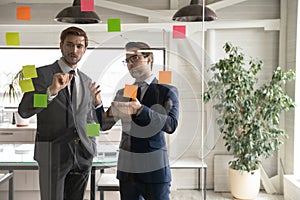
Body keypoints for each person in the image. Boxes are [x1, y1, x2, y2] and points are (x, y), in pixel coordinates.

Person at [90, 41, 179, 200]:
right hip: (128, 172)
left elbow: (171, 125)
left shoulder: (166, 91)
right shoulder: (123, 92)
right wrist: (98, 103)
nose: (131, 64)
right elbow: (104, 125)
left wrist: (140, 110)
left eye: (135, 58)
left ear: (149, 58)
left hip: (154, 170)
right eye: (127, 60)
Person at [18, 26, 98, 200]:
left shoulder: (86, 80)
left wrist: (92, 145)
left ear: (84, 49)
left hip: (82, 157)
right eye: (69, 45)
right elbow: (24, 110)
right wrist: (50, 92)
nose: (74, 50)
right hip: (52, 156)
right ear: (61, 46)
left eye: (79, 46)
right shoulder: (41, 74)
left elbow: (90, 119)